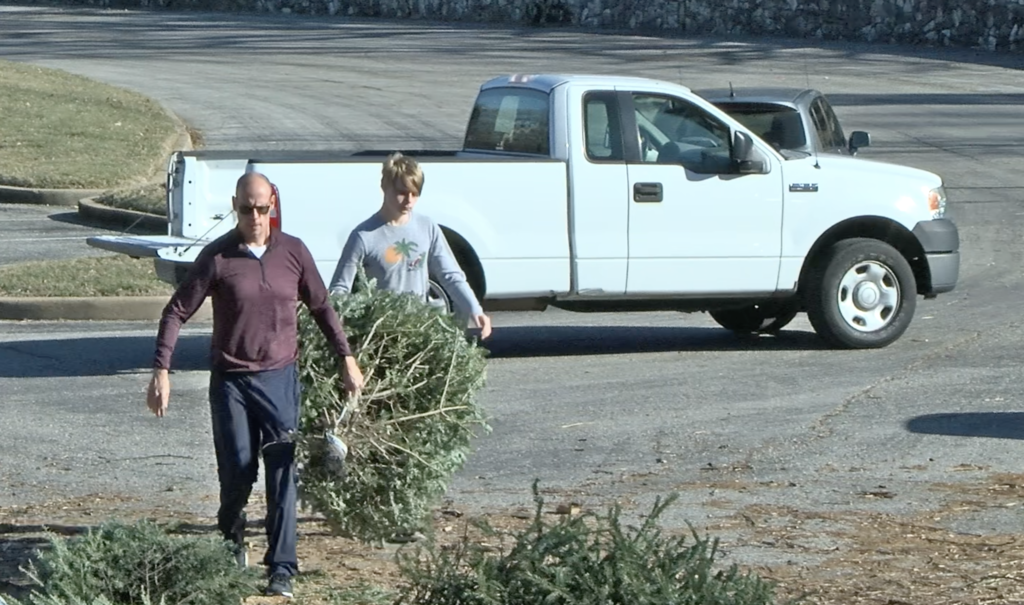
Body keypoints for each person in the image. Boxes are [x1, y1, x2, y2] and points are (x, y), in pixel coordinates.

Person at [146, 171, 364, 599]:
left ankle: (282, 567)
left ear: (273, 205)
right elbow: (175, 312)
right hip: (231, 382)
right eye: (246, 209)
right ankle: (232, 543)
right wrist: (161, 371)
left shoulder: (294, 252)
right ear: (235, 206)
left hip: (280, 378)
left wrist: (347, 358)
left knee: (283, 475)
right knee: (237, 472)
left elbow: (322, 307)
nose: (256, 217)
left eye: (263, 208)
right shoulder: (218, 257)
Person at [328, 152, 492, 339]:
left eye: (415, 194)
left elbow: (450, 275)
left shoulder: (427, 227)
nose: (409, 201)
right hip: (380, 336)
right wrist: (337, 321)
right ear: (384, 186)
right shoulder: (364, 236)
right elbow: (340, 287)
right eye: (402, 193)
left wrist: (475, 309)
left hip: (419, 330)